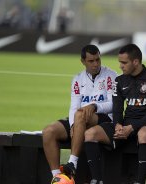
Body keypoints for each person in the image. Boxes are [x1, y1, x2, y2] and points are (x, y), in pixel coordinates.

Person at [84, 43, 146, 184]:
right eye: (119, 62)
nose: (121, 66)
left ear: (135, 62)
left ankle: (139, 182)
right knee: (90, 134)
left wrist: (131, 128)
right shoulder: (119, 81)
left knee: (143, 134)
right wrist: (117, 125)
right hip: (127, 125)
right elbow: (117, 109)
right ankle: (96, 180)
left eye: (124, 62)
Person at [42, 44, 117, 181]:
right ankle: (58, 178)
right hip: (79, 118)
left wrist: (95, 106)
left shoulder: (111, 76)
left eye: (98, 60)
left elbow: (113, 104)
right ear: (83, 61)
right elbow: (74, 106)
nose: (95, 64)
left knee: (80, 114)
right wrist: (72, 125)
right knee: (48, 131)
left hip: (103, 118)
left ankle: (73, 163)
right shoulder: (77, 79)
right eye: (91, 61)